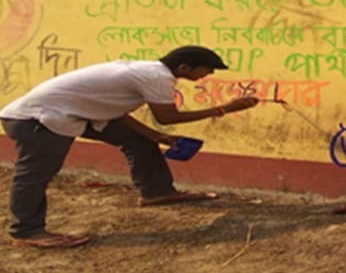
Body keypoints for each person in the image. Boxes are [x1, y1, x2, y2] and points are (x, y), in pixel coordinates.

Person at [0, 46, 258, 249]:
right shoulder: (157, 77)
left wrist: (155, 136)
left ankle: (156, 192)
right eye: (206, 70)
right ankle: (27, 231)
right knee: (35, 174)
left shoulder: (146, 71)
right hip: (36, 119)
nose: (208, 75)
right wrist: (224, 109)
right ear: (184, 67)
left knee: (138, 140)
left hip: (71, 114)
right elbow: (167, 117)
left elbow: (116, 111)